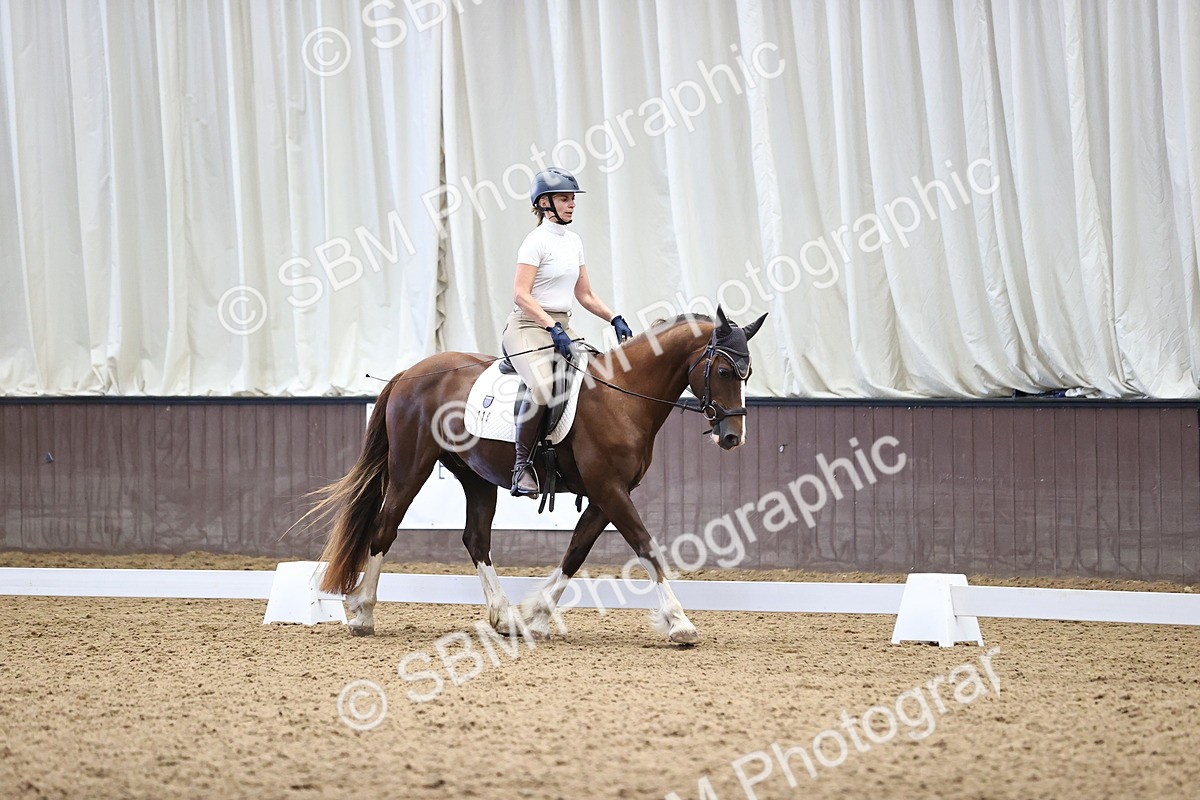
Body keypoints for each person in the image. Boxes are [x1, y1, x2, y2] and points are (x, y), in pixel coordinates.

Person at [502, 167, 634, 497]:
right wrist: (550, 325)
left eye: (573, 198)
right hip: (528, 325)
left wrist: (614, 317)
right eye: (564, 198)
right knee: (545, 388)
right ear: (544, 203)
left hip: (561, 325)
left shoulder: (573, 242)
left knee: (599, 375)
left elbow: (585, 294)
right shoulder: (535, 242)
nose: (572, 204)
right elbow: (520, 293)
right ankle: (521, 466)